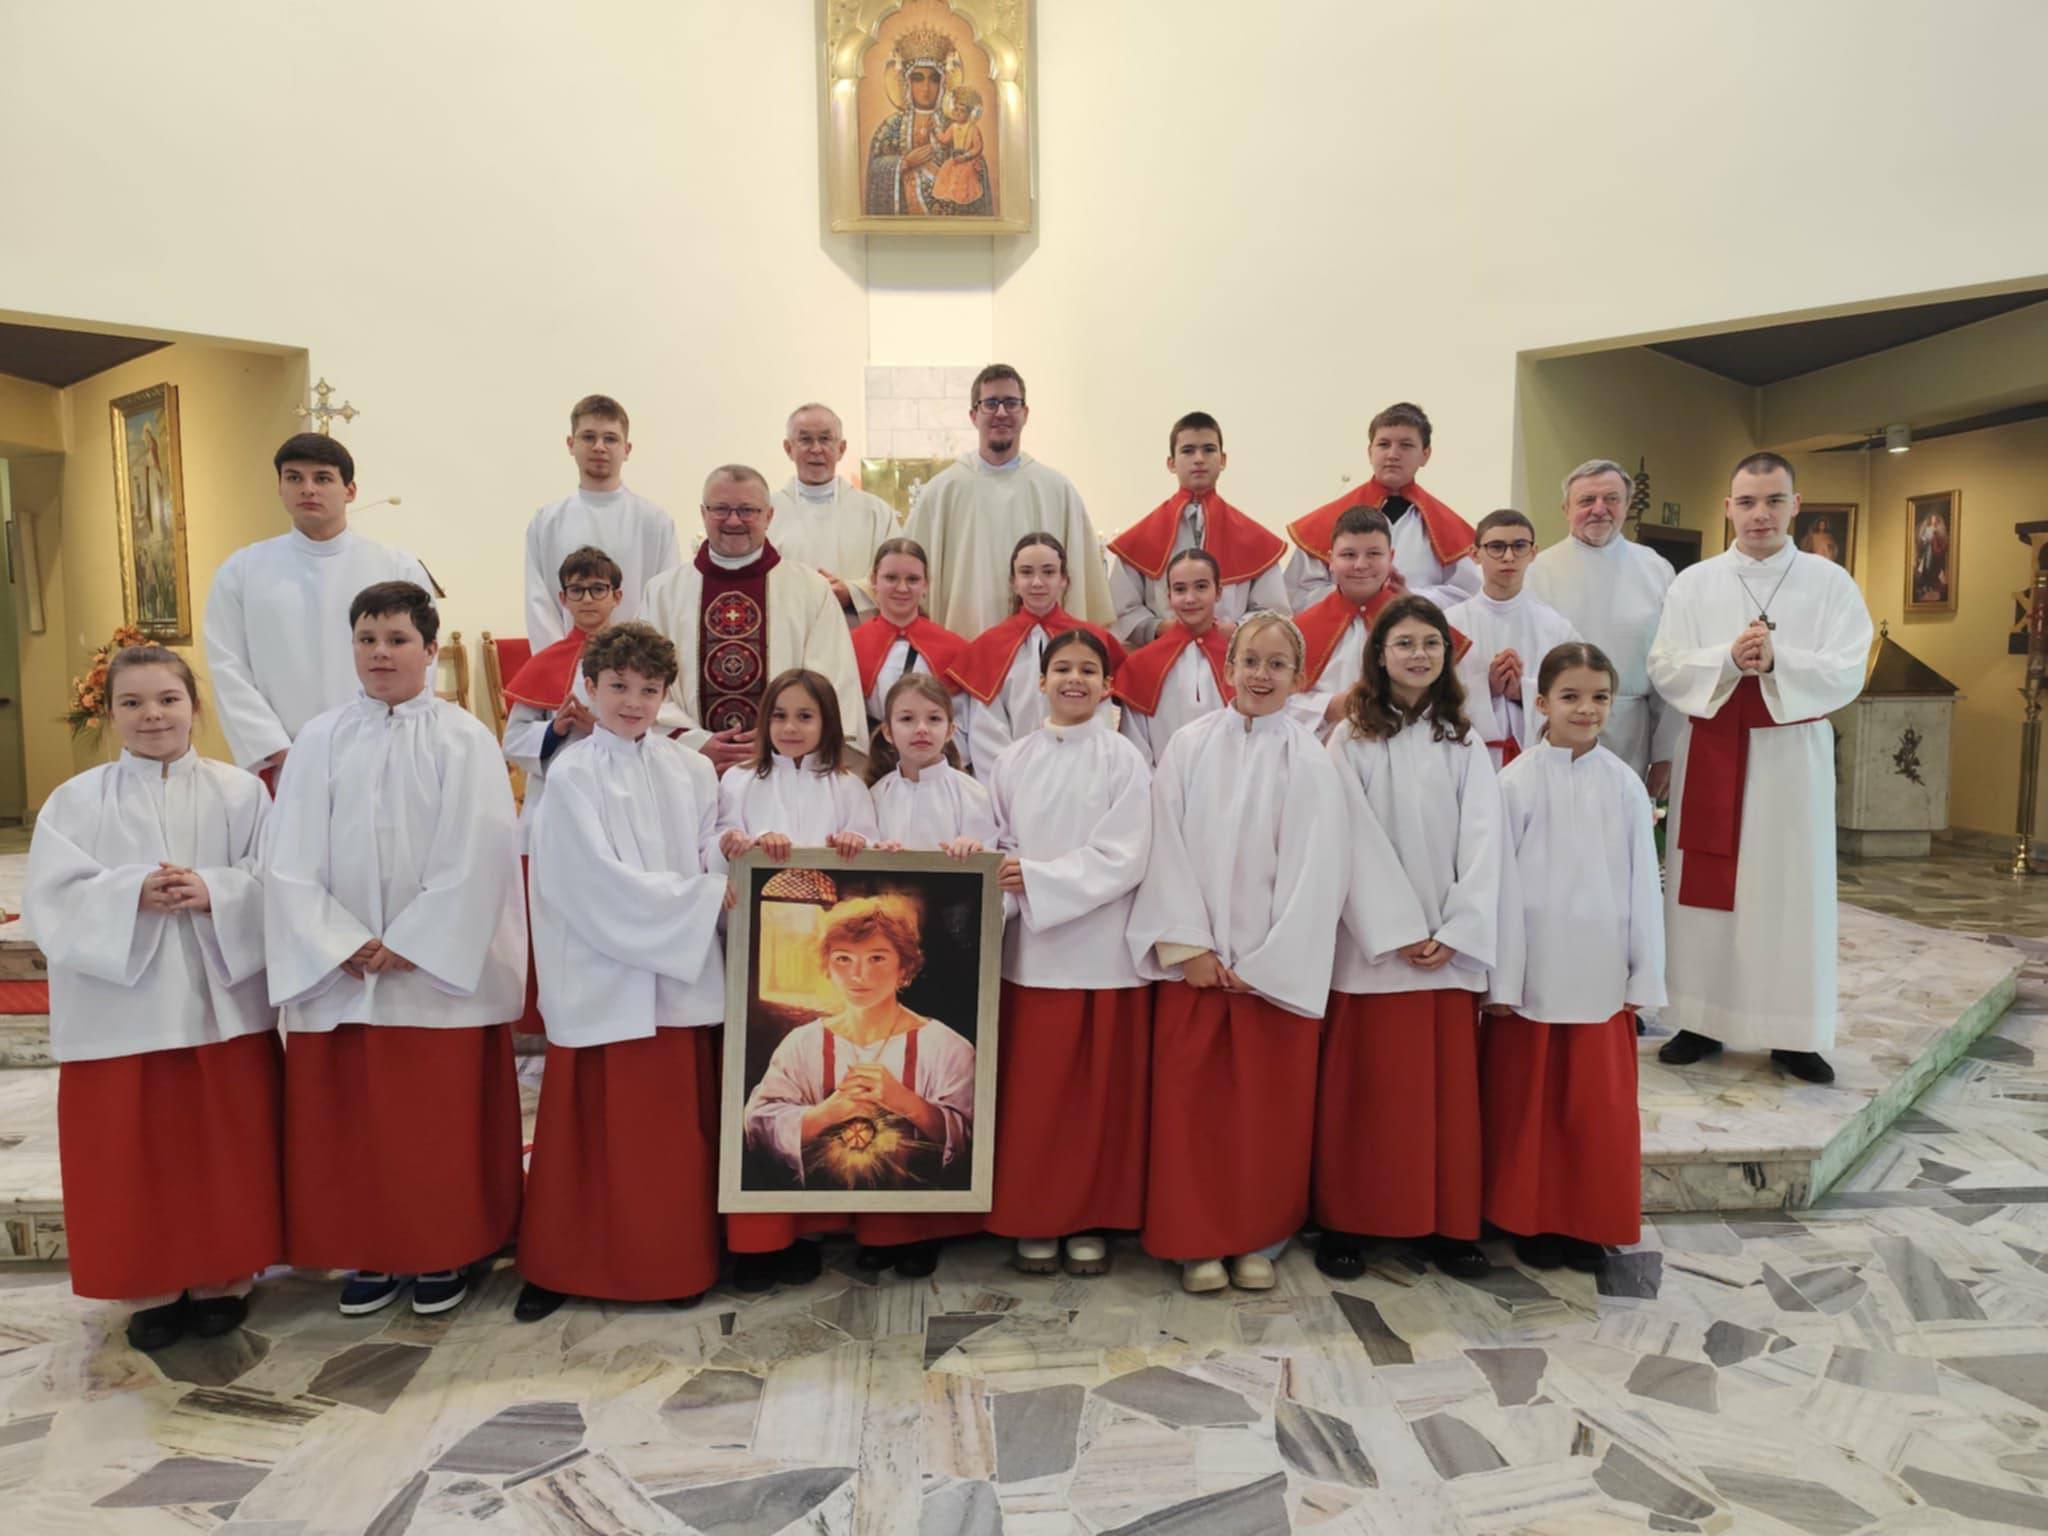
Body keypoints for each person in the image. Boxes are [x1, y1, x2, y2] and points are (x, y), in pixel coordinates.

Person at [265, 581, 527, 1318]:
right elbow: (288, 853)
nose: (380, 653)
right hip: (343, 968)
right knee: (354, 1123)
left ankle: (445, 1248)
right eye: (367, 639)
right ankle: (370, 1248)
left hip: (434, 972)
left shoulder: (464, 738)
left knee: (432, 1124)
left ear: (429, 649)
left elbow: (480, 849)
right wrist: (338, 938)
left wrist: (415, 940)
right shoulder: (319, 739)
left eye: (397, 640)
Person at [26, 646, 280, 1352]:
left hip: (217, 1004)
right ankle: (150, 1288)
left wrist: (215, 889)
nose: (152, 716)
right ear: (108, 715)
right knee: (133, 1158)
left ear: (194, 707)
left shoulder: (241, 793)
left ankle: (224, 1278)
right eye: (132, 703)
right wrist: (131, 892)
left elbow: (276, 879)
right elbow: (49, 900)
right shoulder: (75, 802)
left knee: (220, 1148)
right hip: (121, 1014)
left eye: (168, 699)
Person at [513, 623, 728, 1322]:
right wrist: (696, 901)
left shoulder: (691, 770)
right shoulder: (571, 773)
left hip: (674, 977)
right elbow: (585, 878)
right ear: (589, 688)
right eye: (618, 686)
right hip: (602, 970)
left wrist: (731, 857)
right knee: (589, 1135)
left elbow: (709, 846)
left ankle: (673, 1260)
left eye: (648, 689)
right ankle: (563, 1263)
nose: (633, 702)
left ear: (666, 696)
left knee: (668, 1137)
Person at [1130, 613, 1348, 1293]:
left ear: (1299, 678)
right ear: (1228, 669)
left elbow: (1321, 869)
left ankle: (1260, 1237)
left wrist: (1269, 962)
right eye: (1250, 660)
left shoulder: (1312, 760)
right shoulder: (1189, 746)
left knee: (1266, 1116)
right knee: (1192, 1111)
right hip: (1198, 970)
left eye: (1277, 664)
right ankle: (1195, 1240)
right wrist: (1188, 947)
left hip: (1269, 977)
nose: (1261, 674)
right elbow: (1163, 845)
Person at [1650, 452, 1873, 1084]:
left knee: (1790, 891)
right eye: (1747, 502)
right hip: (1714, 746)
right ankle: (1699, 1020)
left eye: (1774, 500)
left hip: (1790, 755)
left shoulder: (1830, 583)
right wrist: (1727, 659)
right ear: (1728, 508)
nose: (1760, 514)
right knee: (1705, 893)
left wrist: (1778, 662)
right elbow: (1664, 664)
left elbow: (1849, 667)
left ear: (1795, 505)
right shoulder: (1694, 583)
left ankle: (1793, 1034)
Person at [1318, 595, 1508, 1282]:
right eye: (1403, 643)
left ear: (1447, 656)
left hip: (1445, 949)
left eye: (1431, 643)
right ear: (1378, 654)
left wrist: (1456, 928)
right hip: (1373, 949)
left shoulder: (1463, 741)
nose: (1418, 654)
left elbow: (1486, 841)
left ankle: (1448, 1223)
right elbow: (1346, 837)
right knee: (1367, 1091)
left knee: (1443, 1098)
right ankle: (1348, 1221)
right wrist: (1395, 927)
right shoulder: (1350, 739)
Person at [1482, 642, 1663, 1274]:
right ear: (1541, 703)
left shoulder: (1625, 786)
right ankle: (1529, 1218)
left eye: (1599, 697)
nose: (1586, 709)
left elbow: (1644, 885)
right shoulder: (1514, 783)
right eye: (1570, 696)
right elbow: (1498, 886)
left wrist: (1644, 971)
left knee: (1594, 1108)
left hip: (1600, 972)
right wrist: (1501, 981)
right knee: (1528, 1105)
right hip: (1533, 972)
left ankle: (1589, 1219)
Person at [983, 629, 1152, 1277]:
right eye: (1062, 669)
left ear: (1107, 686)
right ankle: (1036, 1215)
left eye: (1087, 670)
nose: (1074, 679)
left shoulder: (1125, 759)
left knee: (1095, 1101)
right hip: (1032, 950)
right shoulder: (1012, 760)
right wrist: (1012, 881)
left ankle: (1089, 1219)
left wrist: (1040, 879)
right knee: (1038, 1100)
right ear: (1041, 681)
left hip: (1102, 951)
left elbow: (1126, 854)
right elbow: (997, 841)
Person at [715, 669, 884, 1290]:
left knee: (821, 1082)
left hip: (825, 967)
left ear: (827, 724)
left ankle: (813, 1229)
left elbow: (873, 851)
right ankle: (758, 1236)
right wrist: (737, 842)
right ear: (764, 721)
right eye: (780, 715)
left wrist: (855, 842)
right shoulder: (738, 781)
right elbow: (716, 841)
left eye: (805, 716)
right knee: (760, 1082)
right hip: (758, 958)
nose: (790, 727)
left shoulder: (847, 786)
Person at [204, 434, 434, 781]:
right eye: (294, 478)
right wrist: (280, 752)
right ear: (280, 488)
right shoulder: (242, 570)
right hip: (284, 761)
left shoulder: (397, 567)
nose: (308, 489)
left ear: (350, 491)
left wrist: (393, 736)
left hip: (382, 753)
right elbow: (228, 667)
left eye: (322, 478)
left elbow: (419, 663)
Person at [740, 896, 977, 1212]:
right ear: (827, 966)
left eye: (876, 958)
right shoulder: (802, 1044)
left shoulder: (948, 1048)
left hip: (917, 1214)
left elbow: (972, 1143)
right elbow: (758, 1124)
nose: (858, 974)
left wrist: (905, 1101)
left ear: (904, 967)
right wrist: (826, 1113)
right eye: (843, 958)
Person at [641, 465, 865, 774]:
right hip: (689, 767)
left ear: (769, 516)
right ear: (703, 513)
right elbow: (643, 681)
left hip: (787, 765)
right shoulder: (662, 592)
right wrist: (695, 742)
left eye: (747, 510)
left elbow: (832, 681)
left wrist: (780, 736)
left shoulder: (811, 590)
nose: (734, 520)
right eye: (721, 509)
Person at [905, 365, 1114, 637]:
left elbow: (1084, 590)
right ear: (973, 415)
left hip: (1043, 651)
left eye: (1011, 403)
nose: (1001, 412)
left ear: (1025, 413)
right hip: (965, 647)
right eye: (990, 403)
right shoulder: (942, 491)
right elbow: (906, 575)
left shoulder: (1056, 490)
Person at [1525, 459, 1679, 796]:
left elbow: (1670, 666)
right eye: (1586, 501)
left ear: (1627, 505)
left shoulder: (1656, 570)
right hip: (1557, 730)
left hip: (1631, 731)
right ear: (1566, 509)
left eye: (1611, 499)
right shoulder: (1536, 572)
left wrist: (1665, 752)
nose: (1599, 509)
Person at [1106, 411, 1289, 648]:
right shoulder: (1140, 539)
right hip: (1163, 653)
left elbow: (1274, 611)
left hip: (1231, 655)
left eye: (1209, 449)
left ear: (1223, 460)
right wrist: (1160, 628)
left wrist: (1235, 630)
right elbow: (1121, 609)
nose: (1199, 459)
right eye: (1188, 450)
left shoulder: (1254, 539)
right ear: (1171, 463)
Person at [947, 532, 1126, 768]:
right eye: (1026, 572)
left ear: (1064, 579)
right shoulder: (989, 646)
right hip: (1012, 775)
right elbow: (986, 728)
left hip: (1084, 770)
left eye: (1049, 572)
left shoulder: (1092, 642)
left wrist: (1086, 769)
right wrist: (1011, 777)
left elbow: (1100, 715)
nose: (1037, 582)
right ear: (1014, 582)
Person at [1284, 402, 1479, 612]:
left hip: (1415, 625)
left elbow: (1467, 595)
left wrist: (1411, 597)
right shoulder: (1328, 520)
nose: (1392, 454)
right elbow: (1297, 594)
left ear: (1425, 454)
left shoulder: (1445, 526)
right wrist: (1359, 595)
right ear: (1370, 452)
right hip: (1346, 628)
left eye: (1406, 445)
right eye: (1384, 444)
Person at [523, 395, 680, 648]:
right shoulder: (546, 522)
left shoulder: (655, 522)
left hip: (636, 662)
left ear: (627, 449)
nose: (599, 447)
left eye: (610, 438)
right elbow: (539, 604)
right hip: (566, 664)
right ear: (571, 444)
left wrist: (635, 659)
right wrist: (560, 661)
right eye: (588, 437)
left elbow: (665, 601)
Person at [502, 545, 622, 839]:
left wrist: (599, 730)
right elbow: (513, 739)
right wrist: (553, 730)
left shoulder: (637, 659)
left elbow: (657, 730)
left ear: (617, 596)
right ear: (563, 599)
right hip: (558, 793)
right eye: (577, 590)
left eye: (598, 589)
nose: (587, 599)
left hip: (620, 789)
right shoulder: (545, 662)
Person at [1444, 510, 1579, 768]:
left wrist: (1521, 693)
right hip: (1466, 759)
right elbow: (1433, 695)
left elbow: (1575, 694)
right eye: (1496, 547)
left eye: (1519, 546)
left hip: (1537, 762)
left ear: (1533, 553)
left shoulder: (1556, 628)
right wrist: (1487, 688)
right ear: (1475, 554)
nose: (1508, 557)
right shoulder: (1448, 624)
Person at [1288, 506, 1434, 740]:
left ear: (1391, 558)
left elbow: (1445, 693)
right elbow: (1277, 700)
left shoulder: (1420, 626)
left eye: (1374, 554)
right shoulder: (1297, 631)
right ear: (1330, 560)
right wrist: (1328, 706)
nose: (1360, 565)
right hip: (1323, 750)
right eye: (1348, 555)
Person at [770, 404, 900, 625]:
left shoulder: (875, 512)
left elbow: (898, 571)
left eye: (825, 439)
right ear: (788, 448)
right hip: (789, 629)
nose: (816, 449)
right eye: (805, 440)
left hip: (853, 630)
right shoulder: (766, 512)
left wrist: (851, 592)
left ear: (841, 448)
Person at [1113, 548, 1233, 765]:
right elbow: (1135, 745)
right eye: (1180, 589)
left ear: (1218, 592)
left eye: (1201, 587)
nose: (1190, 598)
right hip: (1163, 781)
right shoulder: (1141, 664)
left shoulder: (1240, 661)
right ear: (1169, 597)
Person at [850, 538, 968, 753]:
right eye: (891, 578)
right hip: (868, 757)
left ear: (925, 585)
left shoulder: (954, 648)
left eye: (912, 579)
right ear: (874, 581)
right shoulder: (850, 645)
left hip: (933, 756)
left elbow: (963, 719)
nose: (902, 588)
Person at [869, 673, 998, 854]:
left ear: (950, 731)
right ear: (888, 732)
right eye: (907, 719)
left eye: (934, 719)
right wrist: (878, 852)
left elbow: (989, 859)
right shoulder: (876, 796)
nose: (921, 729)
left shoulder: (972, 794)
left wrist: (972, 848)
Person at [931, 87, 986, 205]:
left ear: (969, 114)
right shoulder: (953, 127)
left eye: (962, 111)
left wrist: (966, 156)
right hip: (955, 158)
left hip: (968, 159)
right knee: (946, 169)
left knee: (964, 174)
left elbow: (977, 147)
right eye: (956, 110)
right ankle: (950, 195)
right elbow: (945, 139)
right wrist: (937, 131)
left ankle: (961, 198)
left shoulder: (972, 128)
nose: (958, 113)